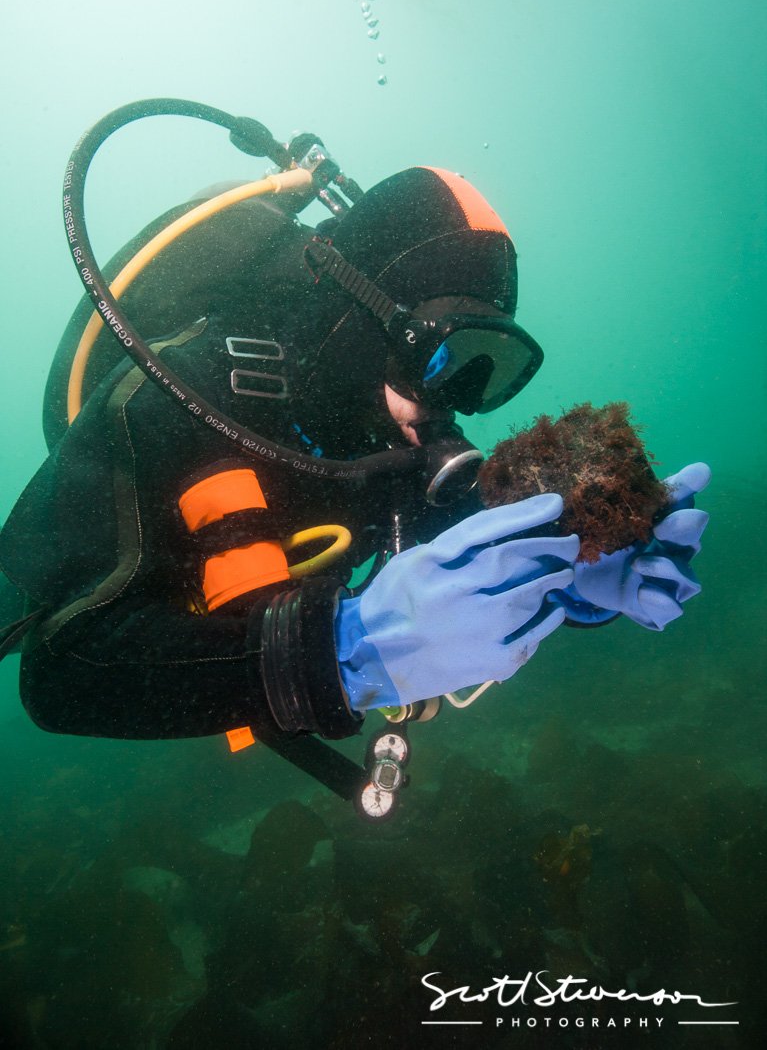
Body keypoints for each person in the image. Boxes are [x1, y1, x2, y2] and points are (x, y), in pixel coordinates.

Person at [0, 111, 710, 758]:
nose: (447, 401)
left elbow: (482, 569)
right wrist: (342, 651)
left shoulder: (400, 445)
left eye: (477, 371)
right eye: (436, 352)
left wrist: (571, 574)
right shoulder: (173, 395)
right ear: (355, 312)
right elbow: (62, 674)